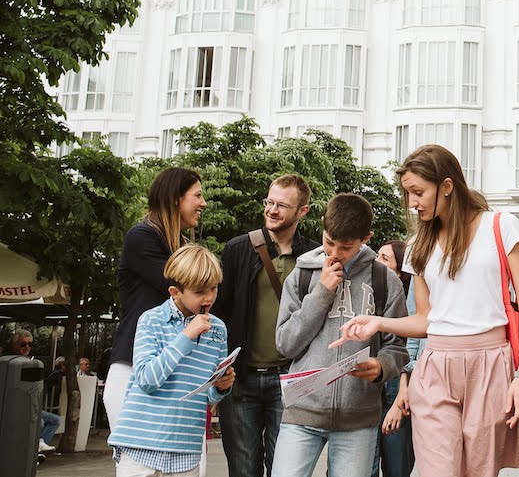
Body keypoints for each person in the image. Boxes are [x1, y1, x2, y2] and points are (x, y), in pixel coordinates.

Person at [334, 144, 519, 477]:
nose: (412, 202)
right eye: (408, 194)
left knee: (478, 472)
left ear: (446, 186)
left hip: (490, 365)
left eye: (418, 192)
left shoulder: (501, 226)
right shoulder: (418, 245)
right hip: (436, 367)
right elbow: (427, 319)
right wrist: (378, 322)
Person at [272, 193, 408, 477]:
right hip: (302, 411)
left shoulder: (386, 281)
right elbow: (286, 344)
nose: (334, 253)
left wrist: (381, 367)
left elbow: (397, 348)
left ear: (366, 238)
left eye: (345, 247)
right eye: (329, 242)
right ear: (322, 226)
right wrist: (321, 293)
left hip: (358, 419)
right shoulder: (302, 275)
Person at [211, 174, 319, 477]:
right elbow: (220, 311)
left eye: (282, 205)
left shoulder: (313, 257)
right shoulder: (237, 249)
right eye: (269, 202)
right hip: (241, 378)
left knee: (286, 470)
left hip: (290, 378)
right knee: (243, 470)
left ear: (302, 211)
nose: (272, 210)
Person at [107, 243, 236, 477]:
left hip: (184, 447)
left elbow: (207, 396)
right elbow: (147, 379)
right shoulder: (151, 320)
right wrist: (186, 336)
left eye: (214, 289)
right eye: (199, 292)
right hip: (140, 444)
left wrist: (221, 387)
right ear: (175, 292)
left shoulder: (218, 330)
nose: (208, 297)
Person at [105, 168, 207, 430]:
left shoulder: (181, 245)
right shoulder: (142, 237)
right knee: (135, 465)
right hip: (134, 367)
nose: (203, 203)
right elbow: (185, 285)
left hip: (176, 366)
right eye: (197, 195)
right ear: (175, 198)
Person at [375, 239, 417, 477]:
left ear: (400, 272)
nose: (376, 261)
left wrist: (402, 393)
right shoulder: (368, 293)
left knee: (396, 465)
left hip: (397, 386)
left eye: (385, 258)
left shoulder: (411, 304)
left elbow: (413, 347)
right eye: (377, 255)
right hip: (369, 386)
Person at [9, 329, 62, 455]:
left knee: (55, 420)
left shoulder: (31, 362)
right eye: (23, 344)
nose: (27, 347)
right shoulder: (10, 362)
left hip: (30, 404)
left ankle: (38, 447)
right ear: (14, 345)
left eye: (29, 344)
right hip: (15, 406)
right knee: (40, 422)